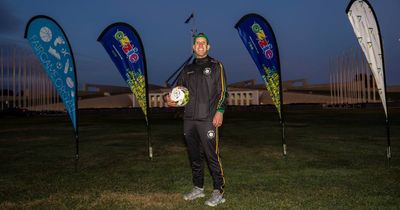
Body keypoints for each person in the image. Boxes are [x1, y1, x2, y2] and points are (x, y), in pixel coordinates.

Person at [164, 32, 228, 207]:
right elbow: (176, 92)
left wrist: (220, 111)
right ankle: (198, 188)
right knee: (194, 156)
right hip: (189, 119)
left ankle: (218, 191)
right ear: (193, 47)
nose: (200, 45)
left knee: (211, 155)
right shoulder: (187, 69)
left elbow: (223, 92)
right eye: (197, 43)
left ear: (208, 47)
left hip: (208, 118)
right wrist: (168, 100)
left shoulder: (216, 66)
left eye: (203, 43)